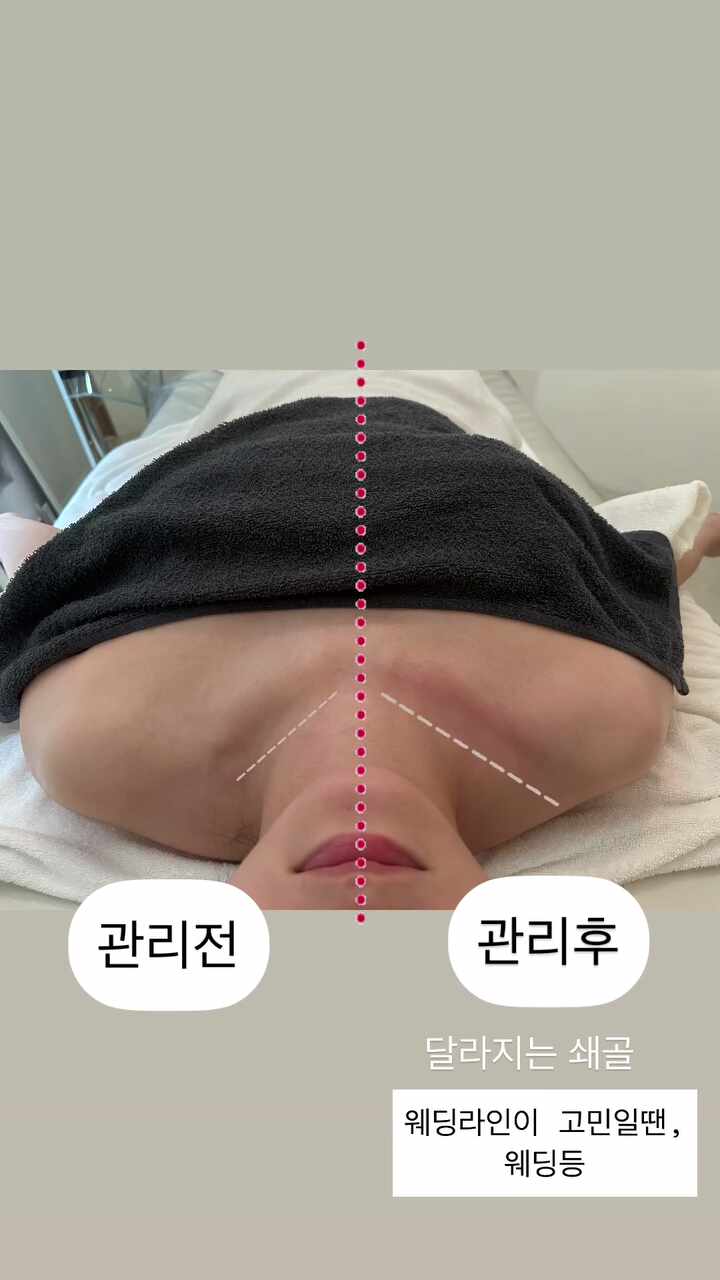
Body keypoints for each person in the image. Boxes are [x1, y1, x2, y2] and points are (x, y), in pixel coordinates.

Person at [0, 378, 718, 910]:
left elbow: (50, 567)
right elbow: (639, 565)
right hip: (438, 405)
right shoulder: (604, 725)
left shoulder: (91, 745)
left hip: (245, 415)